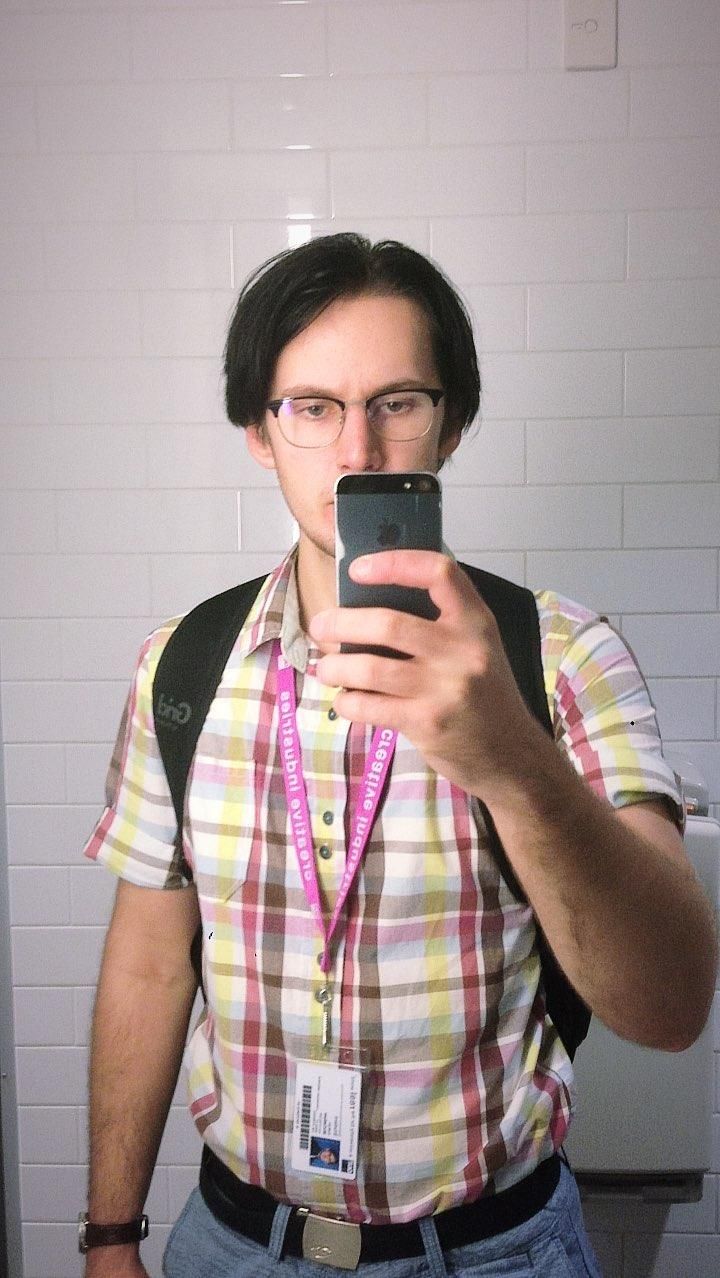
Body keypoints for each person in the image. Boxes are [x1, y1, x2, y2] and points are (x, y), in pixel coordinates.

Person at [81, 234, 717, 1278]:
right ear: (259, 431)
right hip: (233, 1245)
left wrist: (512, 760)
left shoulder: (562, 658)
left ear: (451, 421)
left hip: (494, 1252)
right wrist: (109, 1236)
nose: (358, 451)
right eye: (312, 406)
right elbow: (150, 964)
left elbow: (672, 1006)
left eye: (399, 401)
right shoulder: (180, 667)